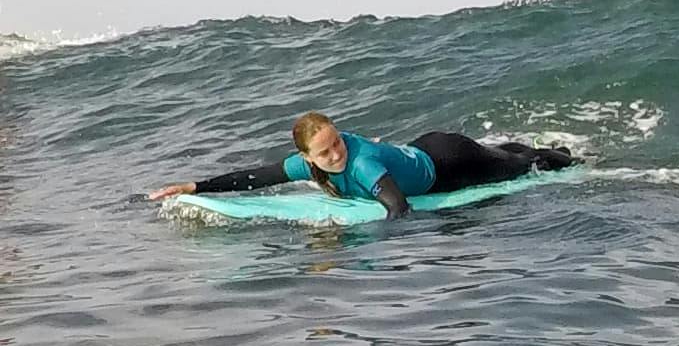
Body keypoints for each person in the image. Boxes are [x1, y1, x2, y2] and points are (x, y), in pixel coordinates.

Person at [149, 112, 578, 219]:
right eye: (325, 152)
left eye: (337, 143)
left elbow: (398, 208)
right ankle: (514, 144)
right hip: (423, 149)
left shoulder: (364, 165)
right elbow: (257, 178)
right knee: (507, 153)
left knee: (524, 165)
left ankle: (572, 154)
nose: (336, 154)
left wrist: (363, 246)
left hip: (450, 162)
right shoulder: (307, 165)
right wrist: (194, 186)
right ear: (307, 158)